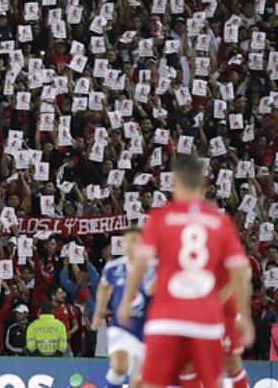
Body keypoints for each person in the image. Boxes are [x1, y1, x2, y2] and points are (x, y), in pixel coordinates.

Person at [119, 156, 254, 388]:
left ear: (175, 184)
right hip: (206, 316)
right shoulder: (219, 221)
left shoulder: (161, 217)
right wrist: (245, 316)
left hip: (166, 314)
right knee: (212, 381)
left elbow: (141, 261)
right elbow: (241, 270)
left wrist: (127, 299)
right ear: (203, 187)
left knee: (151, 381)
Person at [94, 228, 154, 388]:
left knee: (138, 379)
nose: (130, 244)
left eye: (135, 240)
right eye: (127, 241)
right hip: (121, 325)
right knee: (120, 365)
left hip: (146, 327)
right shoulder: (113, 267)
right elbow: (104, 287)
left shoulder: (155, 267)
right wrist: (99, 309)